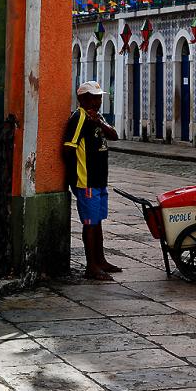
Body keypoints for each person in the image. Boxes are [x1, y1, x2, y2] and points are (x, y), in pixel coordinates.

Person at [63, 81, 121, 281]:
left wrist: (99, 122)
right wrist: (75, 176)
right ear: (83, 98)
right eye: (94, 97)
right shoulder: (79, 117)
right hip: (85, 180)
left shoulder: (97, 117)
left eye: (99, 97)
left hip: (99, 179)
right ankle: (91, 266)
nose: (98, 100)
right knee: (90, 223)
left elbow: (114, 136)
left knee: (98, 221)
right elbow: (69, 148)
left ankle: (101, 259)